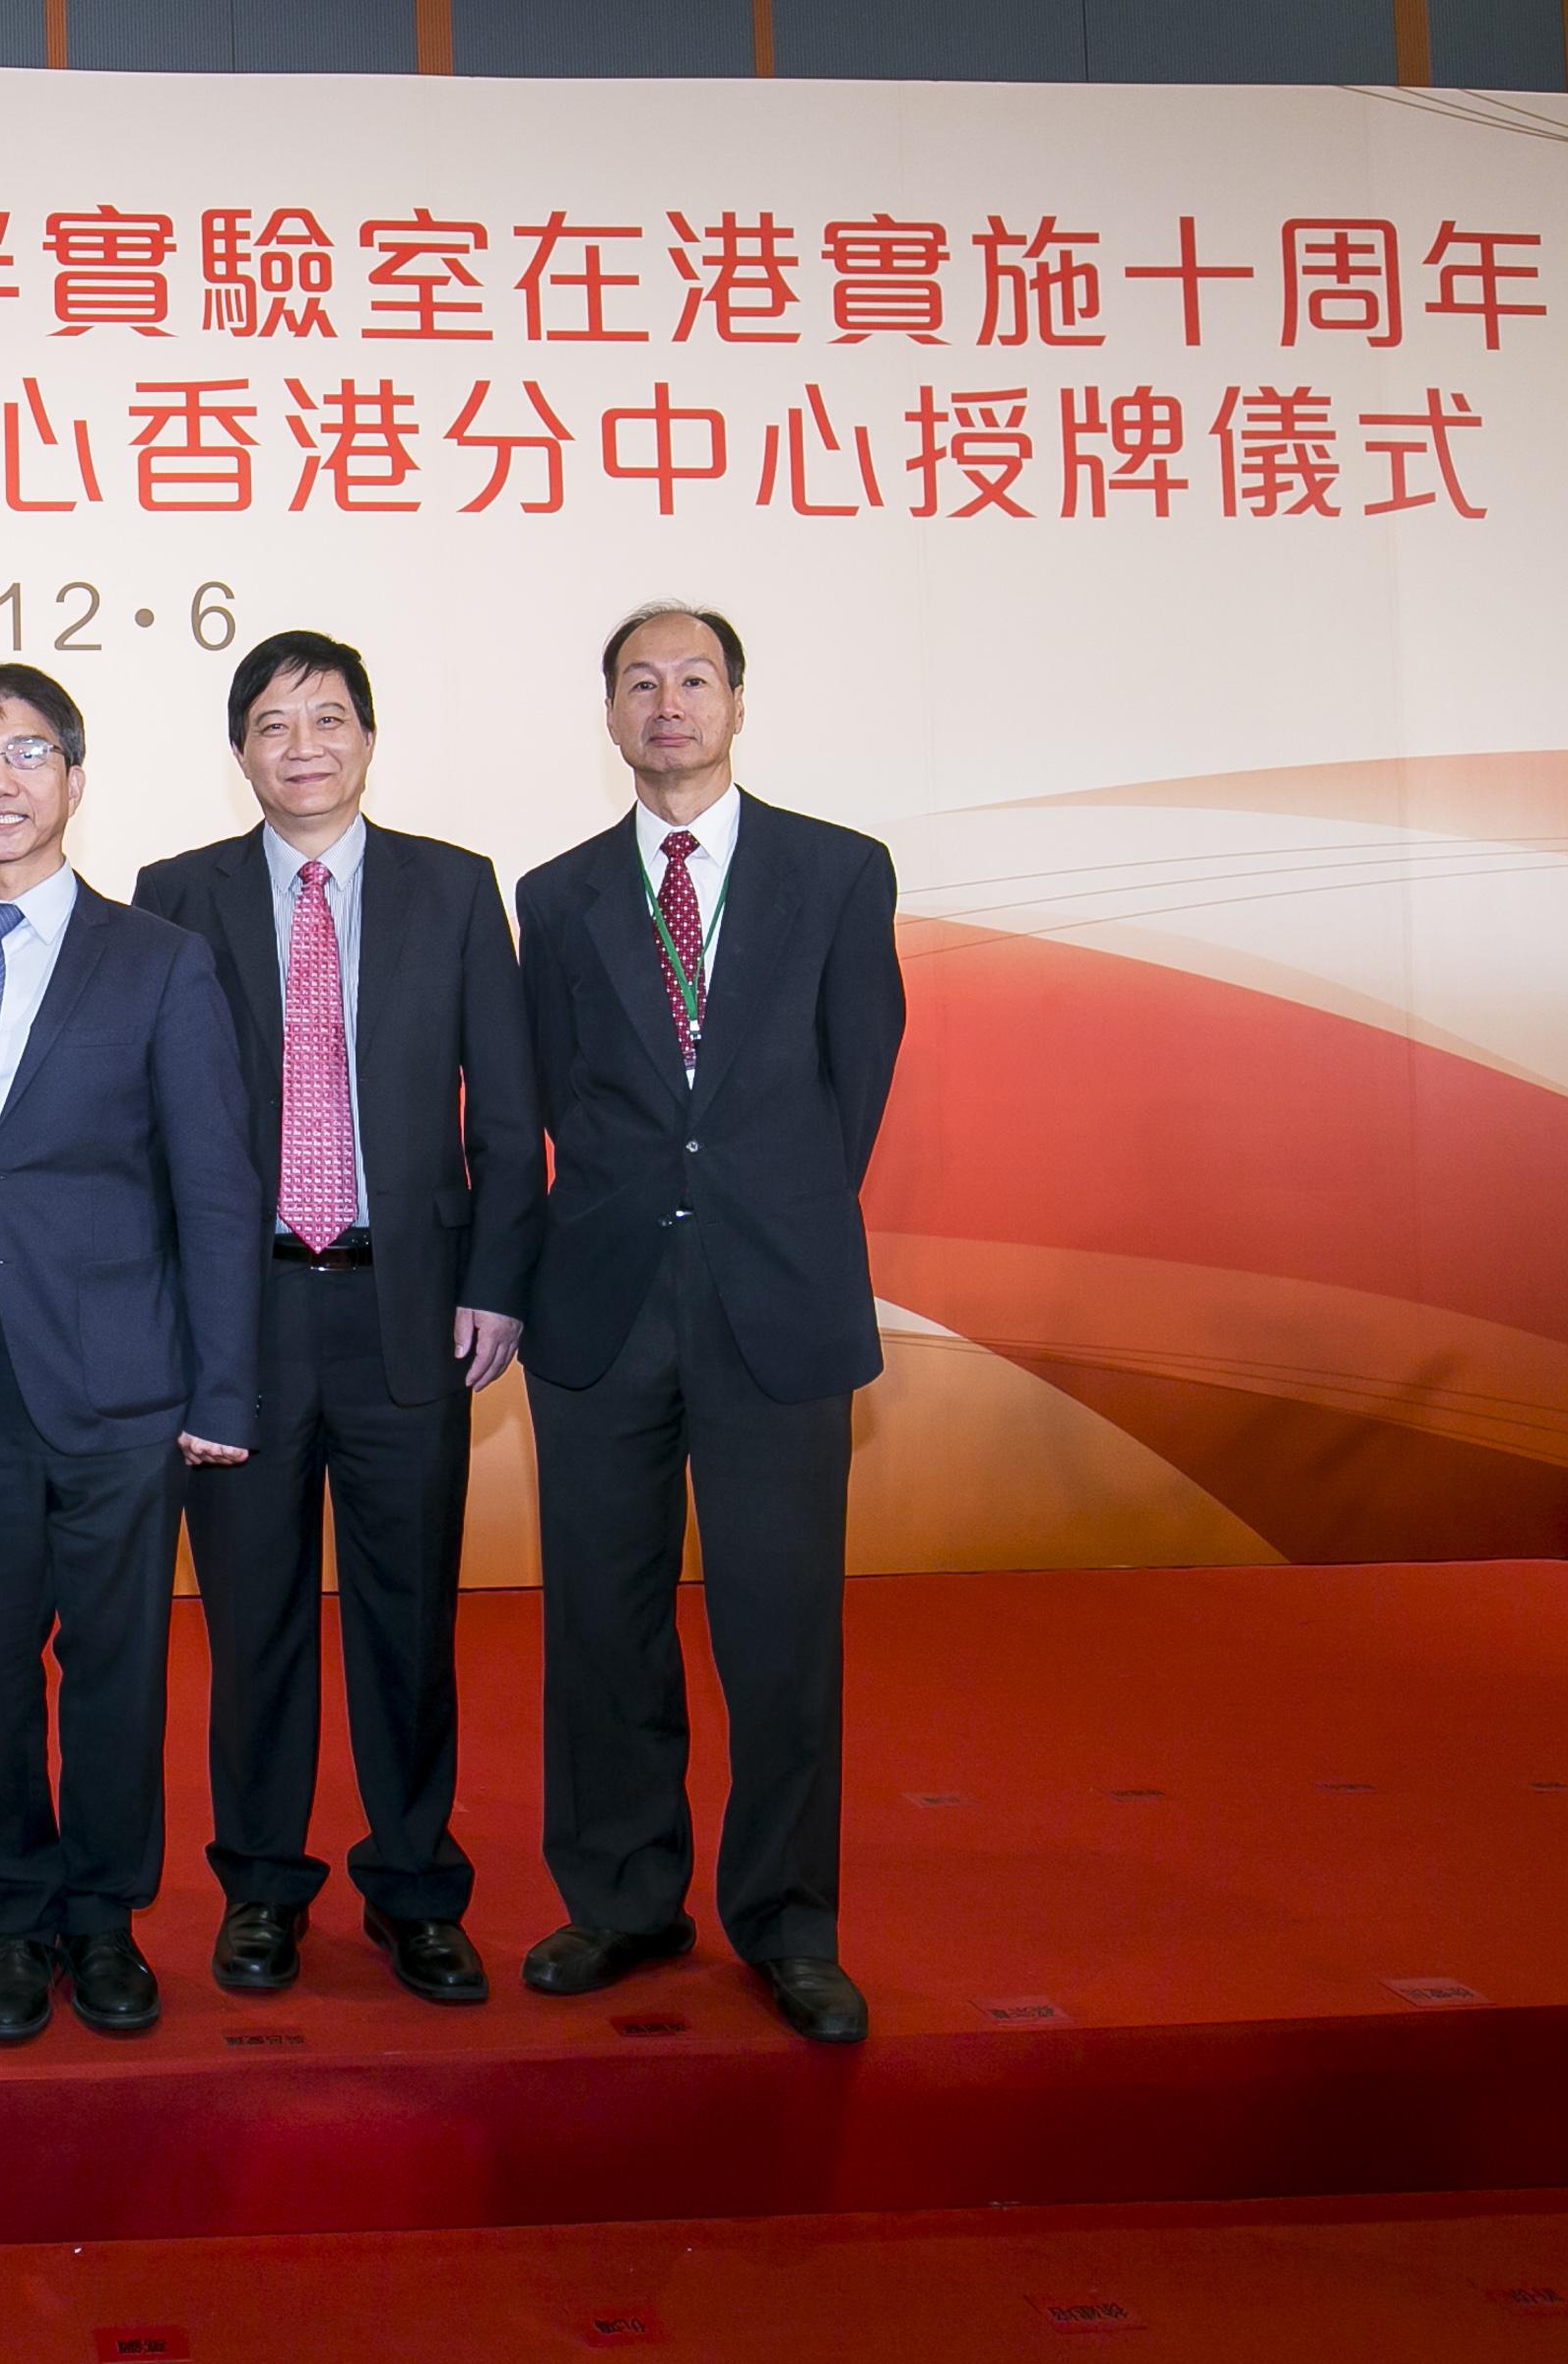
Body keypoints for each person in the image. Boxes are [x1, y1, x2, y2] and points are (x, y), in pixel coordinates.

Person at [512, 604, 905, 2045]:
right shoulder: (555, 898)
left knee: (780, 1631)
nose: (667, 705)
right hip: (605, 1303)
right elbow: (554, 1096)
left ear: (738, 701)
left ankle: (789, 1922)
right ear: (609, 714)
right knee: (603, 1626)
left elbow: (851, 1080)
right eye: (639, 684)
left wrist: (763, 1212)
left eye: (693, 680)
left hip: (774, 1301)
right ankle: (622, 1899)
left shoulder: (835, 873)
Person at [131, 629, 542, 2007]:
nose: (300, 746)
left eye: (326, 720)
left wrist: (493, 1280)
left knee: (407, 1620)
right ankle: (259, 1888)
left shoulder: (453, 889)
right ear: (238, 750)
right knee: (252, 1624)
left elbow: (512, 1108)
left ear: (369, 737)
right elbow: (146, 1129)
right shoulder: (173, 898)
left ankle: (417, 1887)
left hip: (405, 1312)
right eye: (270, 725)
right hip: (240, 1322)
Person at [0, 662, 264, 2045]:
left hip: (118, 1374)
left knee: (113, 1662)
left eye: (29, 752)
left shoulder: (157, 959)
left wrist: (224, 1385)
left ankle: (103, 1921)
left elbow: (216, 1185)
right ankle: (11, 1920)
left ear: (74, 780)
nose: (0, 778)